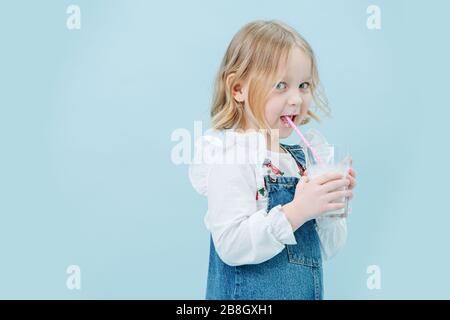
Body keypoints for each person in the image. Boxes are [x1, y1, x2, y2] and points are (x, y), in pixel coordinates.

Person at [189, 20, 357, 300]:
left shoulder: (302, 161)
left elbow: (329, 248)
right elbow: (231, 245)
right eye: (281, 85)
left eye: (304, 85)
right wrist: (297, 211)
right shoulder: (233, 158)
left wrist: (330, 206)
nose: (296, 99)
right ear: (238, 89)